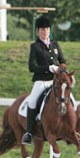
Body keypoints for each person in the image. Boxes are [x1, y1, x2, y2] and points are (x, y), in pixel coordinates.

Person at [22, 16, 67, 145]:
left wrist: (62, 67)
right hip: (41, 81)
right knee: (32, 101)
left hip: (56, 81)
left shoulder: (55, 44)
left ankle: (74, 128)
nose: (45, 32)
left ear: (49, 30)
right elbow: (32, 67)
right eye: (42, 30)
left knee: (70, 98)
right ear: (38, 31)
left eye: (47, 29)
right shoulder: (35, 47)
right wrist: (48, 68)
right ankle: (29, 132)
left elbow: (63, 61)